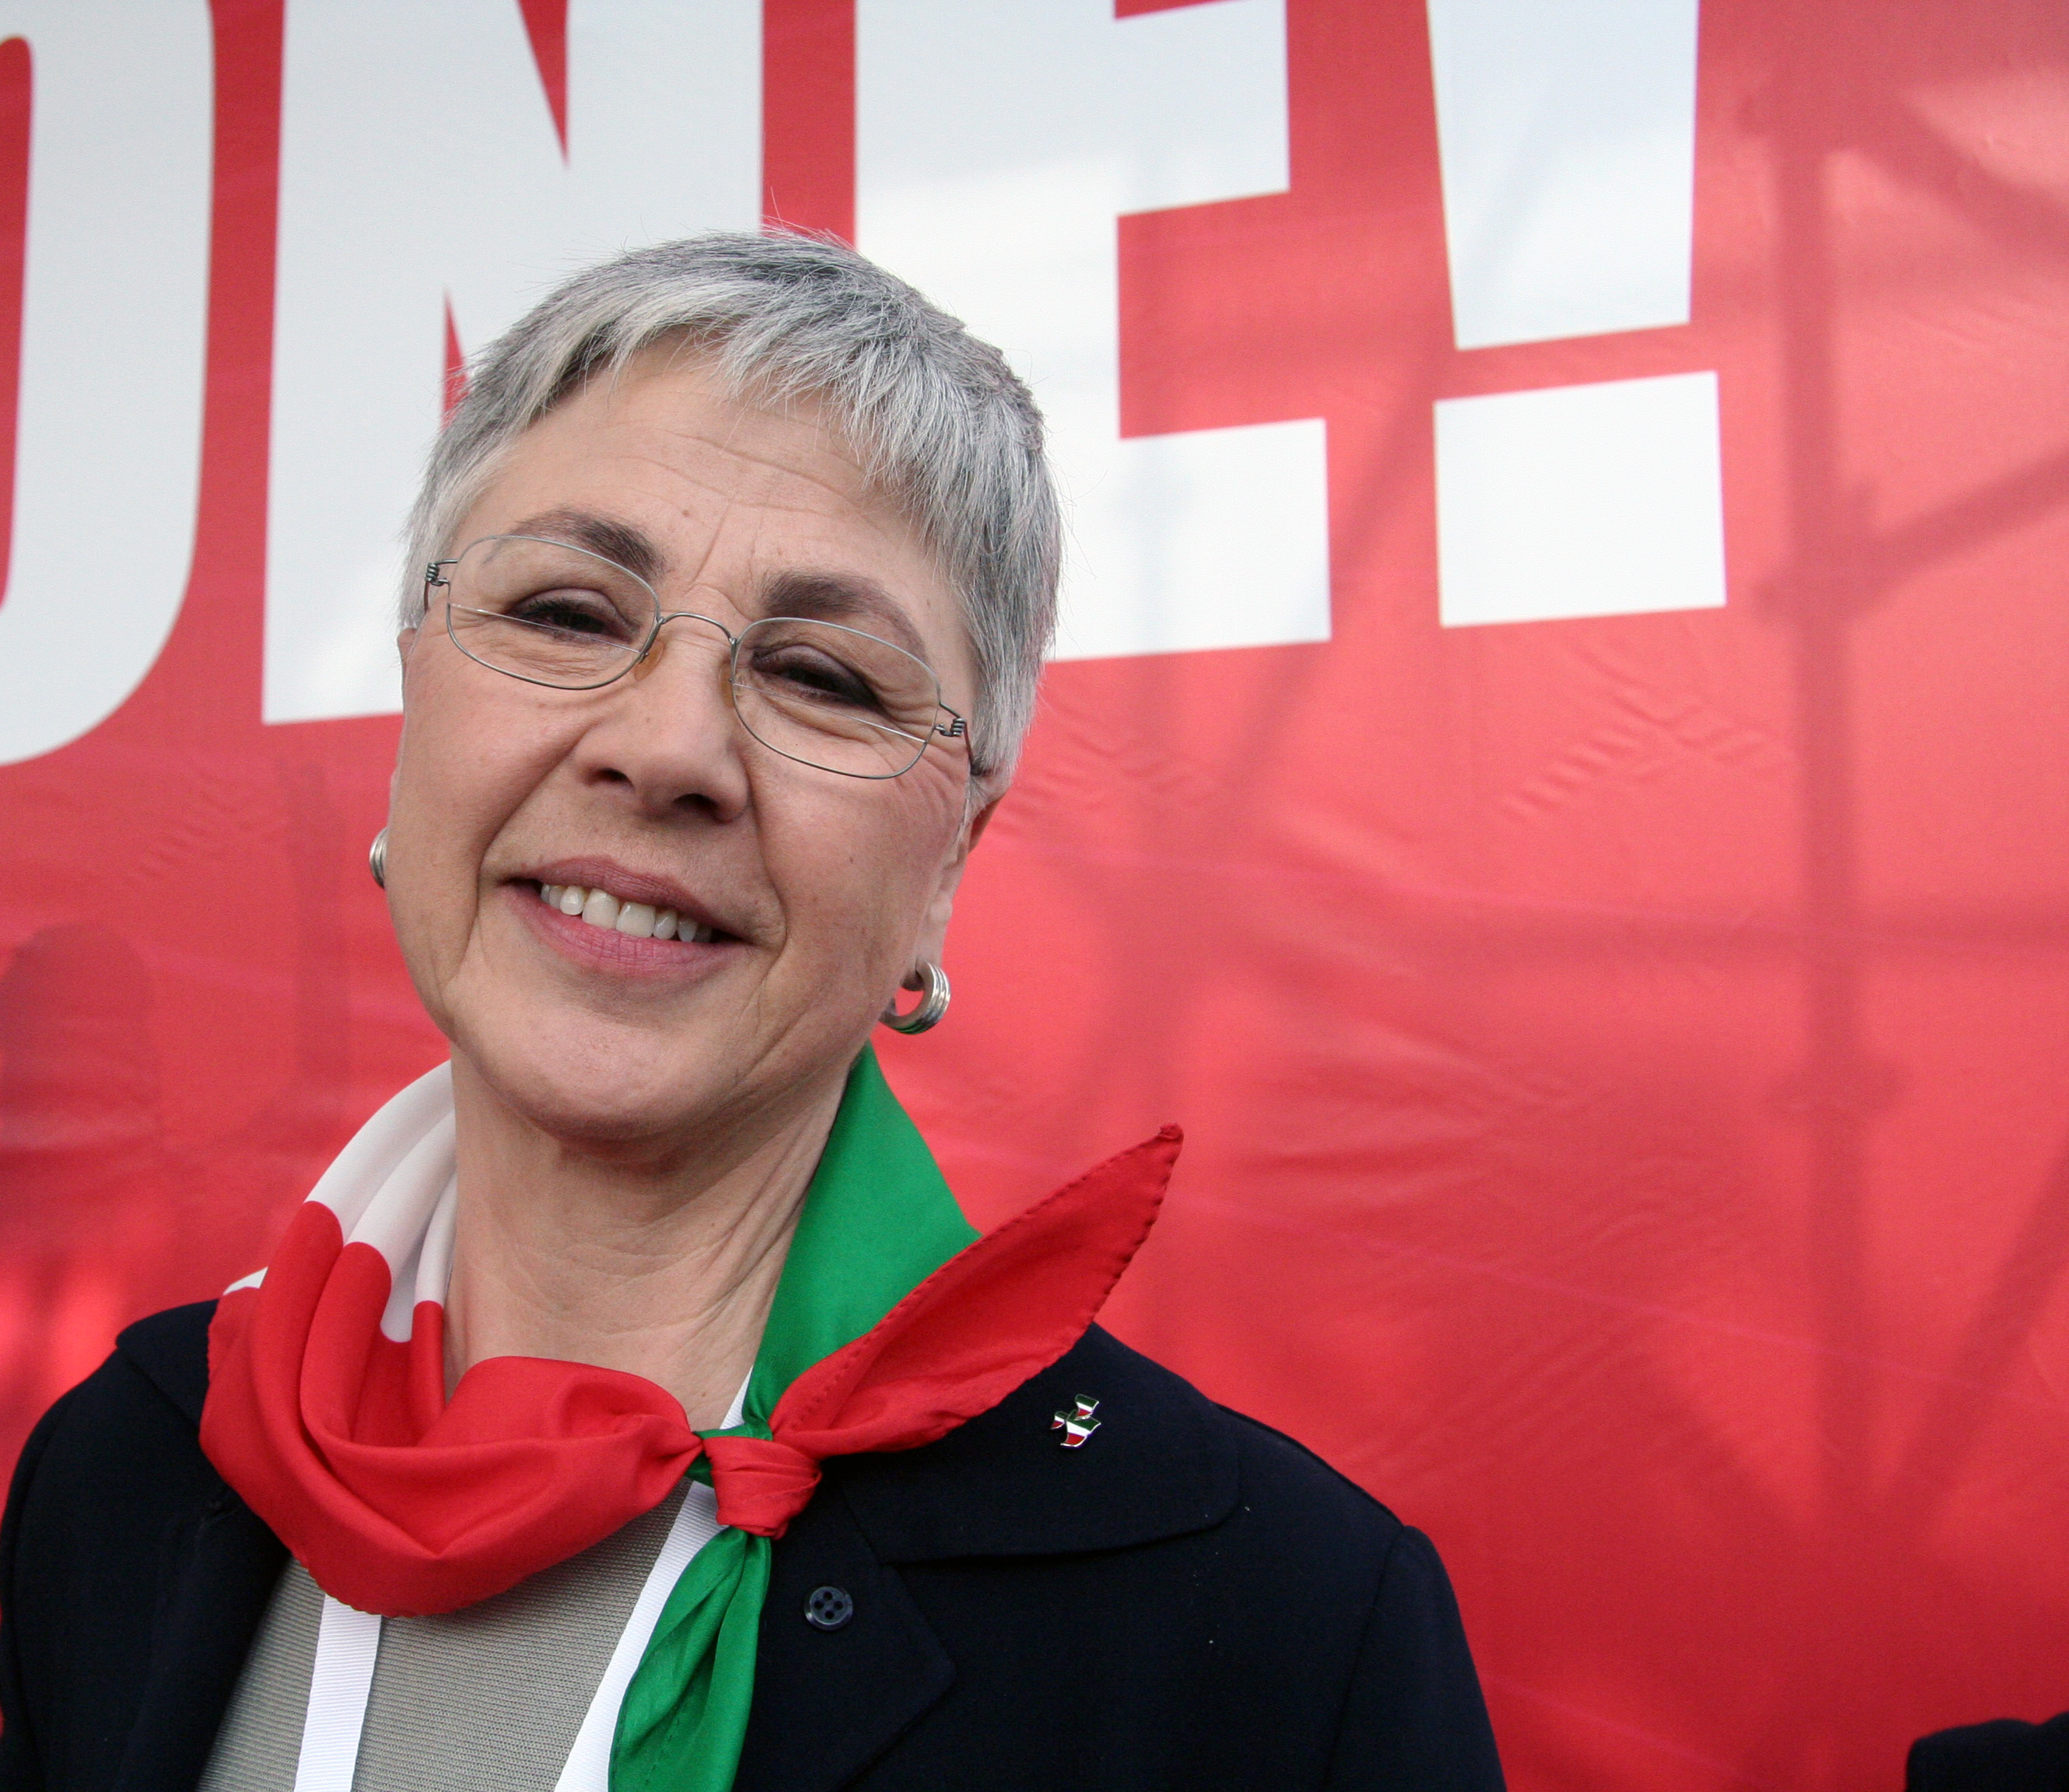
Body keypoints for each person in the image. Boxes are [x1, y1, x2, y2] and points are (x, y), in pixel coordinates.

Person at [0, 233, 1504, 1792]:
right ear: (413, 705)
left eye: (823, 679)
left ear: (949, 864)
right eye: (567, 613)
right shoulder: (124, 1473)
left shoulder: (1279, 1629)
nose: (667, 750)